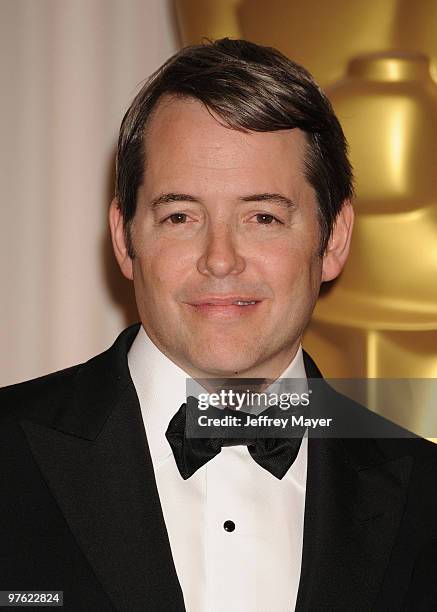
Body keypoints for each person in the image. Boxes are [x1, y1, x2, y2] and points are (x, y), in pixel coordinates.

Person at [1, 38, 436, 612]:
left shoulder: (427, 500)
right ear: (124, 237)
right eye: (180, 216)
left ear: (333, 239)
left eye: (263, 217)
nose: (221, 258)